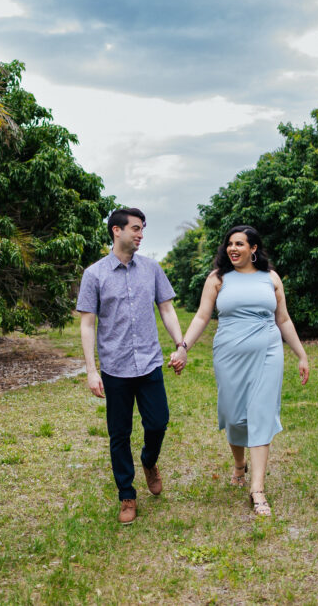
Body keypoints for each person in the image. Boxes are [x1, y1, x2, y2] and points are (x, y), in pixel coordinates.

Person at [172, 225, 309, 516]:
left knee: (261, 413)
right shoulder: (218, 279)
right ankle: (238, 465)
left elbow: (283, 319)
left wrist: (301, 354)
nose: (233, 249)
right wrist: (183, 346)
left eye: (240, 244)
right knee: (234, 416)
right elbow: (201, 316)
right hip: (229, 354)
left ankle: (257, 489)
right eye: (230, 244)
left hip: (268, 352)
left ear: (253, 248)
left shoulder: (270, 279)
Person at [77, 208, 186, 525]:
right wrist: (91, 369)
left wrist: (180, 345)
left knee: (158, 422)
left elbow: (166, 309)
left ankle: (149, 461)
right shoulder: (94, 275)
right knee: (119, 434)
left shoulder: (151, 269)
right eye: (136, 229)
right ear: (116, 231)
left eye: (142, 229)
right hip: (115, 367)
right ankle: (127, 494)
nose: (140, 234)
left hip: (149, 363)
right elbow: (87, 325)